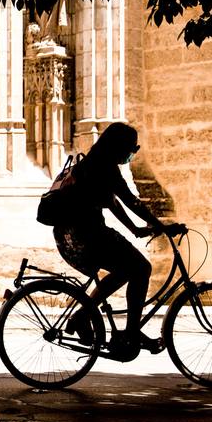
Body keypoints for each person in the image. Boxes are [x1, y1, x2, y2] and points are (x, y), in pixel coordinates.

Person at [55, 122, 177, 360]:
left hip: (71, 235)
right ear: (119, 146)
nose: (133, 153)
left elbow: (112, 202)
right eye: (132, 148)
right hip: (86, 235)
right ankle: (131, 332)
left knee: (125, 270)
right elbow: (131, 202)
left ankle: (83, 316)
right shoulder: (105, 167)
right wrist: (162, 226)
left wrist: (136, 229)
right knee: (142, 268)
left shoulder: (92, 164)